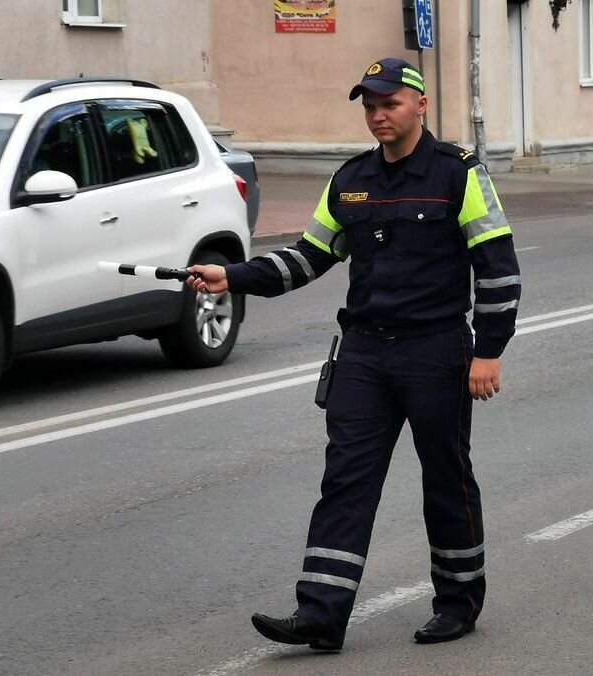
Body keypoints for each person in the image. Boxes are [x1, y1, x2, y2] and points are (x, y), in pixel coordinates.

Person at [187, 57, 521, 651]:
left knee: (446, 478)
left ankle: (459, 600)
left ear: (419, 106)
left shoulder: (458, 174)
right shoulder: (349, 179)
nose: (377, 114)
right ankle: (321, 613)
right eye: (369, 105)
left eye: (389, 103)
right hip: (365, 355)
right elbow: (308, 257)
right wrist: (232, 276)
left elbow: (498, 268)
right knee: (345, 480)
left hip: (435, 352)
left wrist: (488, 351)